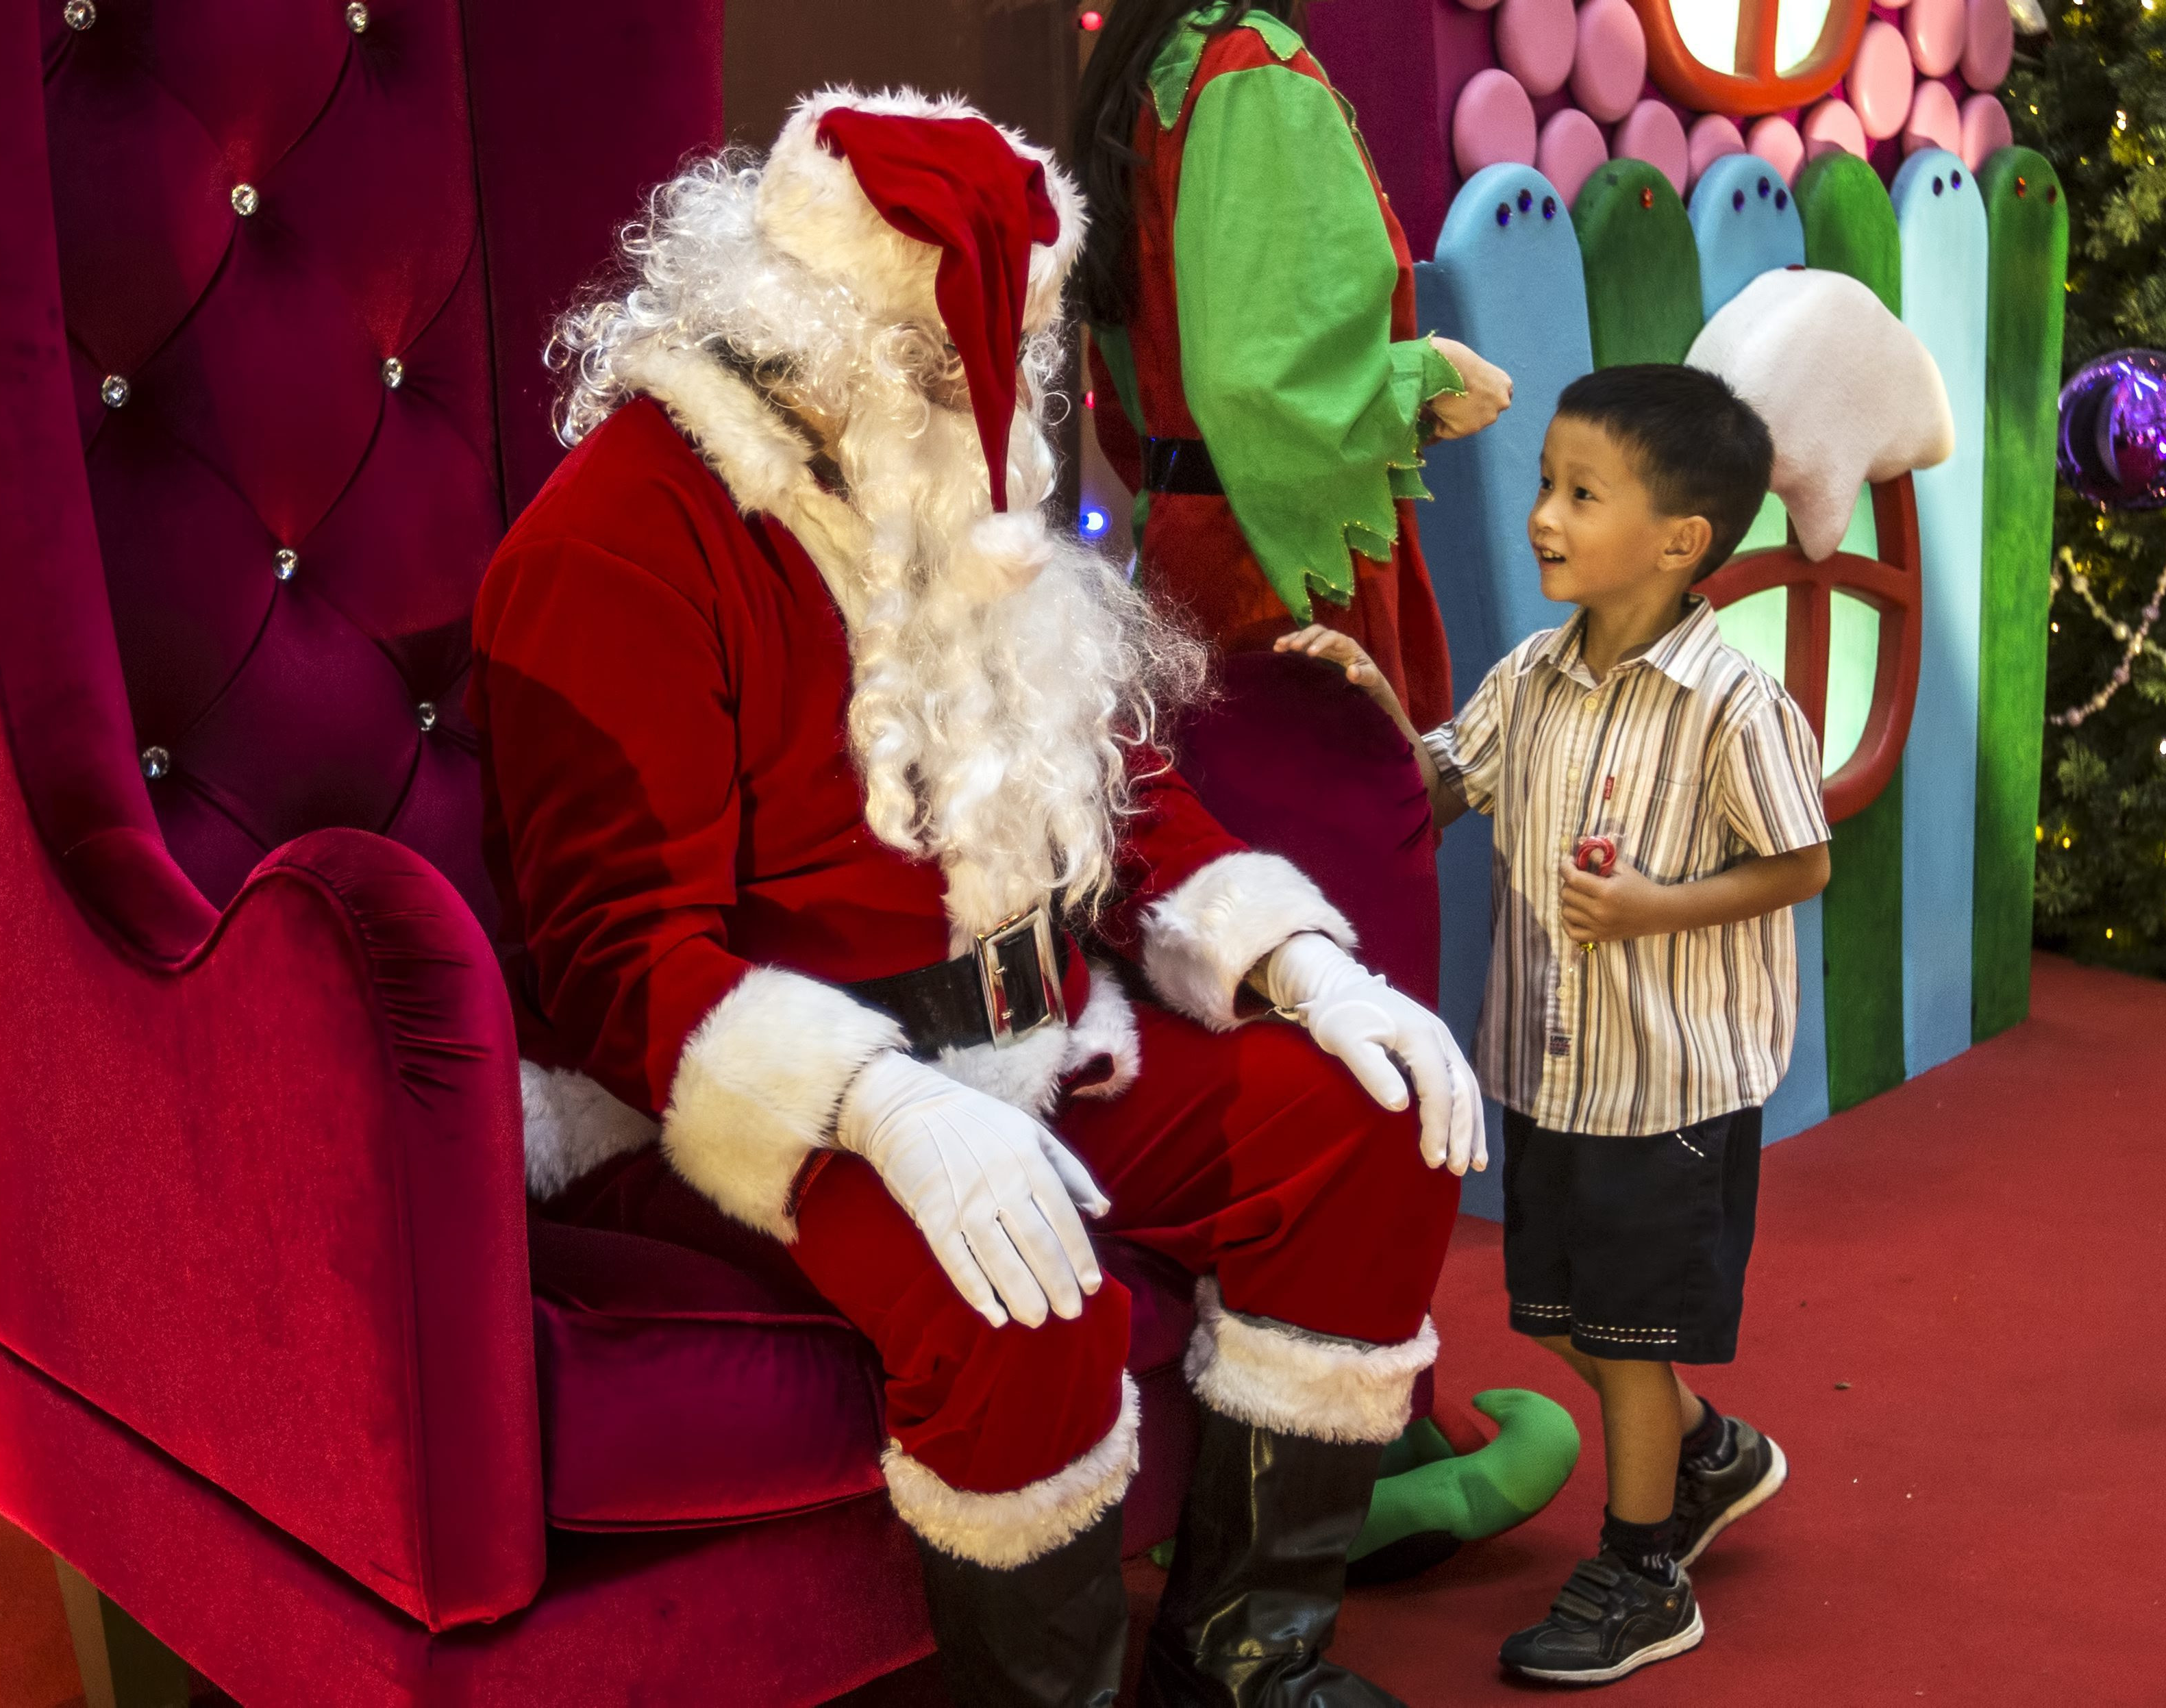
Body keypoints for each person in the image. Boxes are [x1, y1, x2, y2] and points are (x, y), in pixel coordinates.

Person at [471, 90, 1483, 1707]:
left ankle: (1244, 1657)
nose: (1002, 401)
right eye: (956, 360)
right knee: (1024, 1306)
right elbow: (619, 963)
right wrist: (885, 1109)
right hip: (783, 1103)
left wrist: (1298, 958)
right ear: (819, 324)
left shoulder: (946, 478)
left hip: (1042, 1038)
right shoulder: (616, 542)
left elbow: (1112, 784)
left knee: (1362, 1119)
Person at [1278, 364, 1830, 1685]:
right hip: (1551, 1065)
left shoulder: (1731, 704)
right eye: (1545, 483)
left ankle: (1645, 1570)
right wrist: (1366, 698)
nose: (1544, 514)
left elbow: (1802, 862)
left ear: (1681, 540)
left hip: (1671, 1081)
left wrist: (1656, 907)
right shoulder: (1529, 679)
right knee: (1563, 1313)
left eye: (1583, 493)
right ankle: (1707, 1453)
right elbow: (1436, 782)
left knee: (1631, 1339)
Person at [1071, 0, 1515, 999]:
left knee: (1231, 950)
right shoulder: (1250, 68)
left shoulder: (1156, 68)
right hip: (1282, 578)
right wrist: (1427, 379)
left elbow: (1139, 399)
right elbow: (1260, 383)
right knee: (1347, 974)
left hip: (1192, 561)